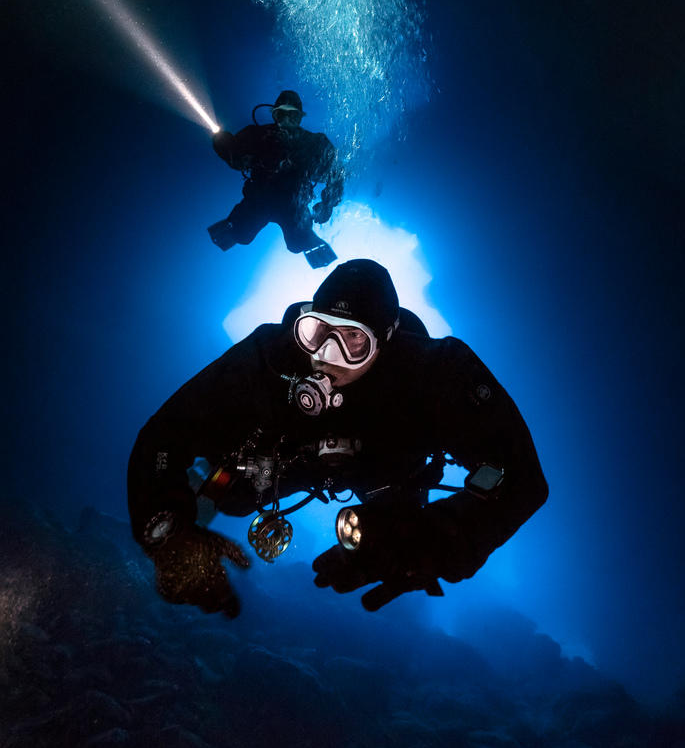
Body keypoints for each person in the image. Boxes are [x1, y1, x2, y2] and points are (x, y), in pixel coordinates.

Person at [127, 260, 548, 618]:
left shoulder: (433, 377)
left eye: (353, 341)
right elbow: (166, 433)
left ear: (386, 340)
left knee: (392, 538)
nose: (326, 356)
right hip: (293, 459)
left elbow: (522, 478)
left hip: (387, 472)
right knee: (233, 496)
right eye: (317, 332)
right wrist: (165, 529)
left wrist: (435, 544)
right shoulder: (268, 357)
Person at [208, 90, 344, 269]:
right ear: (274, 114)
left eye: (292, 116)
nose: (286, 122)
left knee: (298, 243)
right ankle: (235, 231)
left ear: (300, 117)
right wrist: (225, 146)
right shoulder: (257, 135)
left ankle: (312, 246)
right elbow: (234, 153)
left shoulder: (313, 143)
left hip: (293, 204)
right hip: (259, 199)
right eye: (281, 114)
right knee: (241, 233)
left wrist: (328, 204)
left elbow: (337, 173)